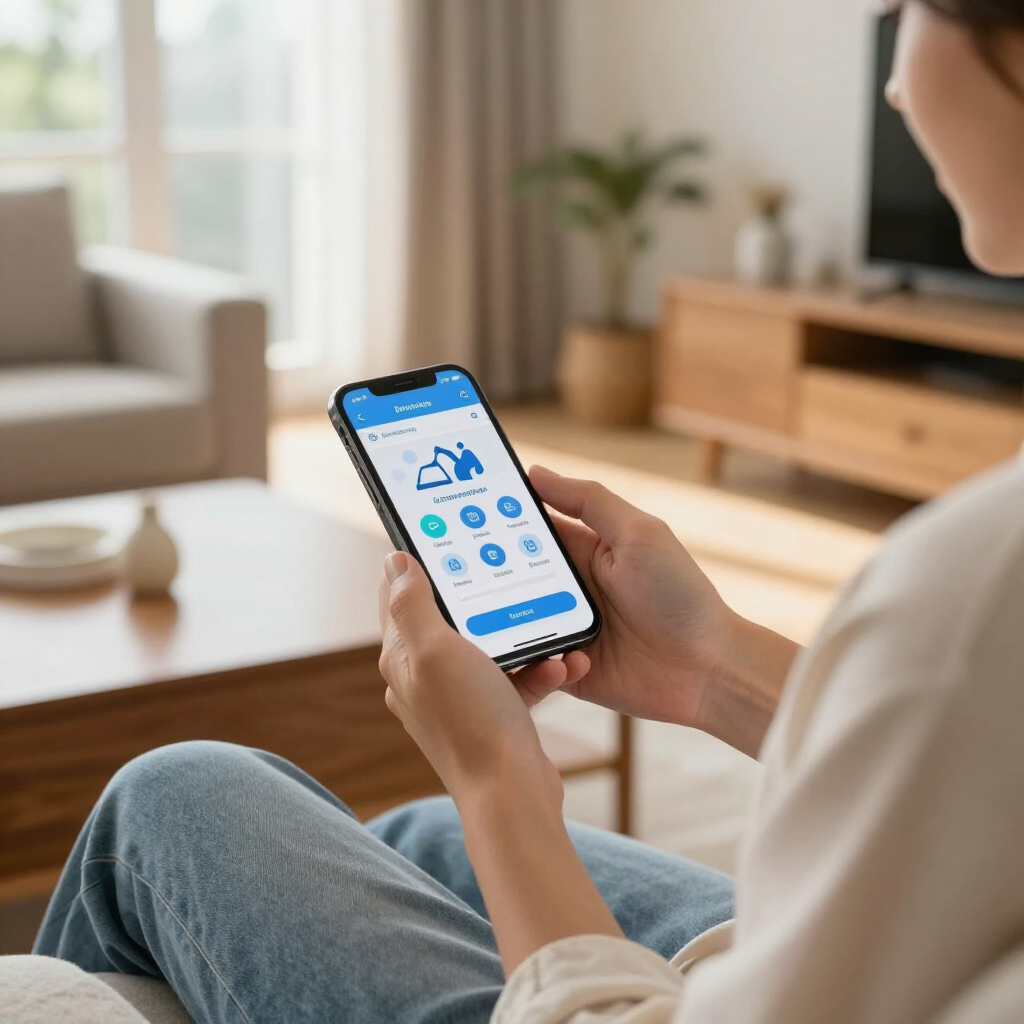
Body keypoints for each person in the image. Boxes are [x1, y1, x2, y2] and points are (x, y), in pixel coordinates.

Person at [33, 2, 1024, 1021]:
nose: (895, 84)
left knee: (179, 791)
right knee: (421, 833)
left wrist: (503, 780)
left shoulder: (974, 581)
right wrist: (710, 667)